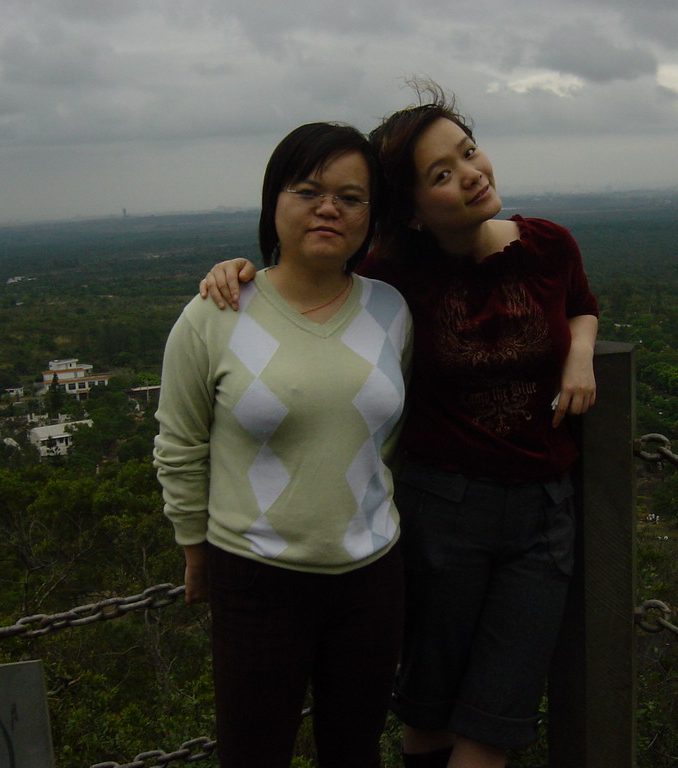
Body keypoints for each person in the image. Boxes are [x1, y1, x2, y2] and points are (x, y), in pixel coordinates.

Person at [200, 81, 598, 768]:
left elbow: (582, 305)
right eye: (440, 174)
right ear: (410, 210)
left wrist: (581, 357)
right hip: (445, 510)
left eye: (468, 152)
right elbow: (313, 272)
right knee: (429, 710)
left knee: (498, 718)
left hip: (544, 510)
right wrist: (240, 275)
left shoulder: (548, 246)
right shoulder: (392, 281)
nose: (470, 174)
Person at [154, 122, 412, 768]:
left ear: (371, 214)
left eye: (352, 197)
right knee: (253, 752)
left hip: (371, 572)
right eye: (309, 190)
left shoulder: (392, 312)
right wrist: (193, 547)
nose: (330, 208)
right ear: (274, 203)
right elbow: (180, 442)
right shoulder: (217, 313)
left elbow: (390, 439)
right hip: (257, 575)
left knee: (355, 751)